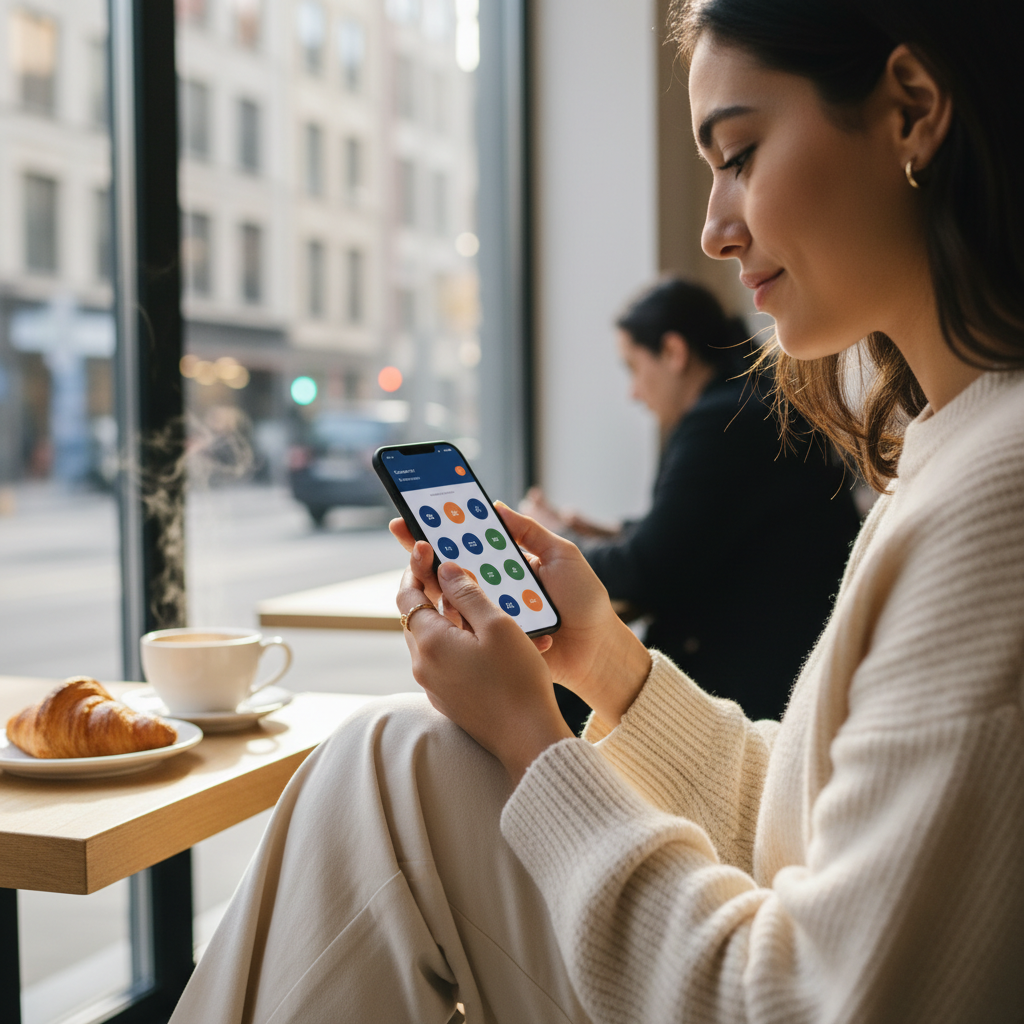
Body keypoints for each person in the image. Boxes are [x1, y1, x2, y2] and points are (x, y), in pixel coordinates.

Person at [169, 0, 1024, 1021]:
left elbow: (806, 999)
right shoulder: (957, 448)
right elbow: (807, 828)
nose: (714, 228)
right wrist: (606, 663)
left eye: (739, 154)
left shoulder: (995, 501)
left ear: (912, 110)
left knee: (389, 768)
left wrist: (532, 738)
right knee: (398, 754)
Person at [523, 278, 861, 724]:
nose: (633, 392)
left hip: (743, 687)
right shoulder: (756, 403)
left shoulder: (721, 422)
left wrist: (555, 545)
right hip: (788, 662)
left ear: (673, 352)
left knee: (538, 692)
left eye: (633, 367)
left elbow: (644, 571)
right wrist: (602, 531)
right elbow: (707, 531)